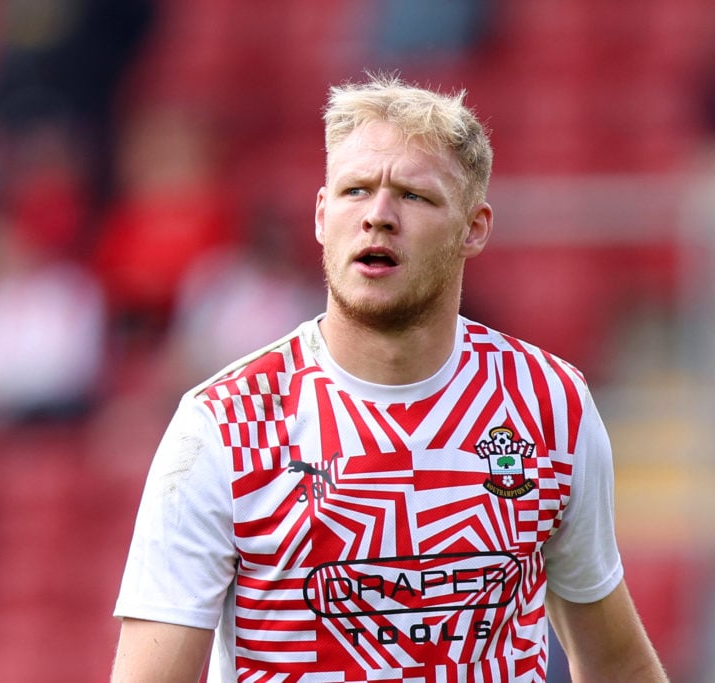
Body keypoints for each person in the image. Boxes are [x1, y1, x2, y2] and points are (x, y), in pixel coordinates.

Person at [111, 73, 667, 682]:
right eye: (355, 191)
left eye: (413, 196)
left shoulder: (549, 404)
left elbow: (618, 664)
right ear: (323, 217)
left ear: (474, 228)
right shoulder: (223, 423)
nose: (378, 215)